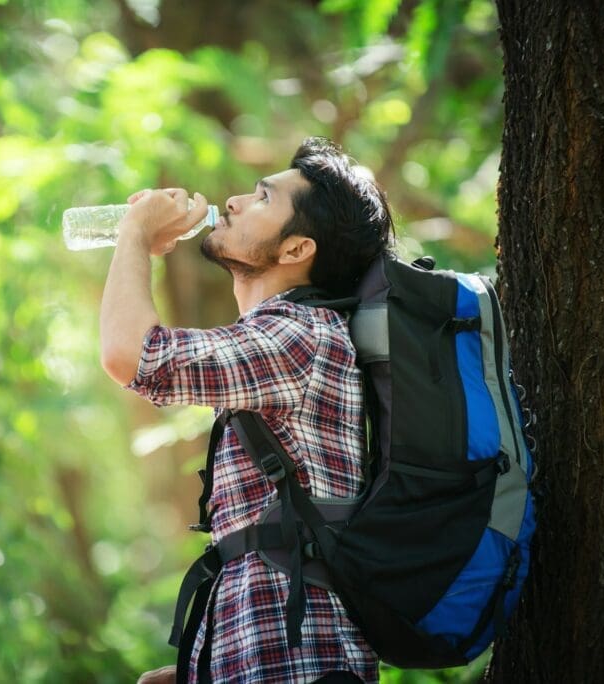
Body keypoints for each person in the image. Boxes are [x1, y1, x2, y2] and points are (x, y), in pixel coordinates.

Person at [99, 137, 392, 684]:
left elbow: (132, 355)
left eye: (261, 197)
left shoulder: (299, 335)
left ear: (296, 250)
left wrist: (134, 233)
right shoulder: (279, 336)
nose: (233, 200)